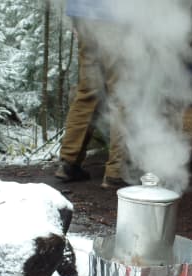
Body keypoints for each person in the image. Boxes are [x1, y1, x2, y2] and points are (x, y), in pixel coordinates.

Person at [55, 0, 129, 189]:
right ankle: (116, 172)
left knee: (88, 91)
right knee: (121, 93)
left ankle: (68, 163)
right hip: (115, 16)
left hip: (83, 13)